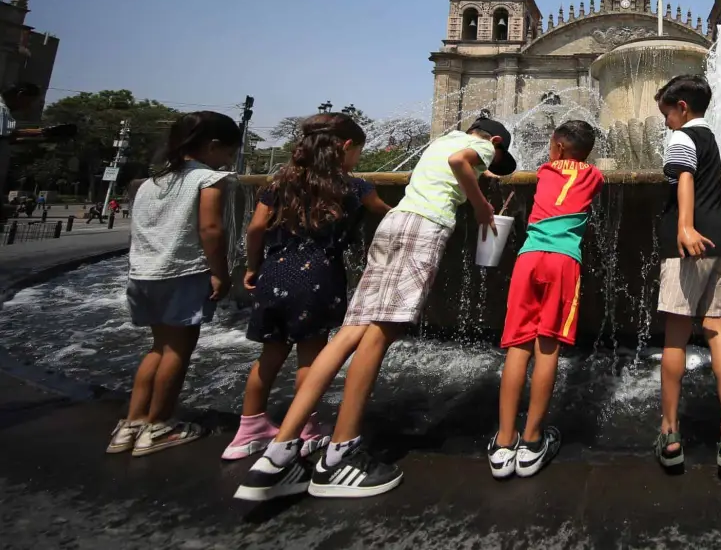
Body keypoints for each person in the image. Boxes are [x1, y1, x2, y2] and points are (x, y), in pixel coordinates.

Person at [235, 115, 517, 502]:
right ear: (495, 141)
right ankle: (341, 454)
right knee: (380, 335)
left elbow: (450, 163)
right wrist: (482, 206)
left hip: (395, 223)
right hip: (423, 229)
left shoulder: (440, 141)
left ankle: (279, 451)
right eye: (494, 156)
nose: (489, 161)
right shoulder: (480, 146)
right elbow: (461, 164)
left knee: (351, 332)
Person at [222, 113, 391, 461]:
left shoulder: (279, 181)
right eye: (358, 150)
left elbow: (255, 227)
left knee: (269, 355)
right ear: (345, 147)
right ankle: (307, 429)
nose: (358, 158)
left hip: (274, 270)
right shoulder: (353, 186)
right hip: (319, 274)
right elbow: (388, 213)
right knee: (310, 359)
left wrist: (253, 265)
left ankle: (248, 429)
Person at [106, 111, 240, 457]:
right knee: (178, 351)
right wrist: (221, 273)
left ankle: (132, 424)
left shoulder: (152, 182)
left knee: (157, 348)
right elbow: (211, 230)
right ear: (212, 147)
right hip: (183, 273)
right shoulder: (209, 180)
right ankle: (160, 425)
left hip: (144, 274)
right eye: (228, 152)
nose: (228, 160)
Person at [489, 120, 604, 479]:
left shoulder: (545, 170)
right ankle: (532, 441)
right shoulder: (594, 177)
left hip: (529, 258)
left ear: (555, 149)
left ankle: (504, 442)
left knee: (517, 348)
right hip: (564, 263)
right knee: (547, 347)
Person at [652, 74, 721, 471]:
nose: (666, 122)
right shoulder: (712, 139)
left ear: (682, 108)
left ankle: (670, 430)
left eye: (667, 113)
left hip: (688, 246)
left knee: (676, 336)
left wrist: (684, 227)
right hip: (719, 243)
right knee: (716, 331)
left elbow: (684, 179)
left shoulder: (682, 137)